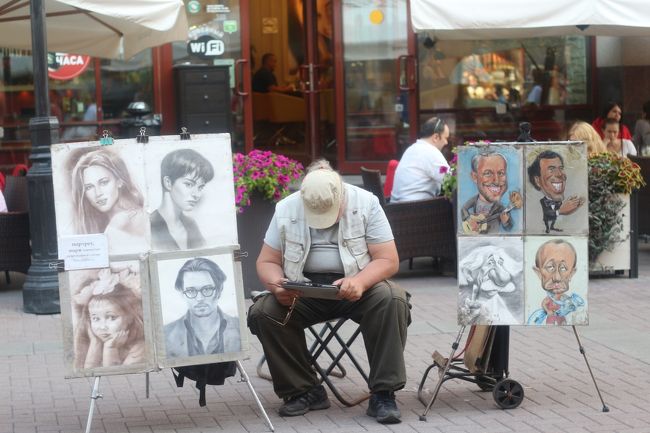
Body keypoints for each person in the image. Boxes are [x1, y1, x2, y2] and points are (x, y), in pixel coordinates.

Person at [248, 160, 410, 424]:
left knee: (391, 299)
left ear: (342, 194)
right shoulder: (286, 207)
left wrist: (360, 281)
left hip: (359, 285)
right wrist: (278, 285)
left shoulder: (366, 202)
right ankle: (304, 390)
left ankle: (383, 393)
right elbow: (266, 261)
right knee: (264, 312)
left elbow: (388, 259)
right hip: (304, 288)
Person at [71, 148, 148, 253]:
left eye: (103, 182)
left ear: (119, 181)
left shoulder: (123, 221)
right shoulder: (102, 224)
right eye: (89, 187)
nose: (98, 193)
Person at [164, 257, 241, 358]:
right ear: (182, 293)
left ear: (219, 290)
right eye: (191, 291)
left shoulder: (239, 328)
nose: (200, 298)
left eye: (207, 289)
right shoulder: (166, 334)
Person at [73, 267, 145, 369]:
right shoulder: (97, 339)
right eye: (96, 319)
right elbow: (89, 371)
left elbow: (119, 377)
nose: (102, 327)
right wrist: (95, 342)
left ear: (130, 318)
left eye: (111, 317)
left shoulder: (139, 348)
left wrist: (110, 348)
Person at [150, 149, 214, 251]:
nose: (196, 194)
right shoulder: (148, 228)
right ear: (168, 183)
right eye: (189, 184)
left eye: (200, 187)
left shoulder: (191, 225)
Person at [460, 150, 522, 234]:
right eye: (488, 173)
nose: (496, 181)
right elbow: (463, 209)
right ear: (475, 177)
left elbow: (509, 227)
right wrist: (469, 219)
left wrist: (506, 221)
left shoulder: (500, 208)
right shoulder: (474, 200)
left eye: (501, 173)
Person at [390, 117, 450, 202]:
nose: (446, 142)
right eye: (446, 138)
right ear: (436, 137)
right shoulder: (431, 152)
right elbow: (449, 181)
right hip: (414, 209)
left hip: (397, 207)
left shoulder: (412, 148)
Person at [458, 245, 521, 325]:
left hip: (494, 308)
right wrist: (473, 303)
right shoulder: (481, 279)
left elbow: (508, 286)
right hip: (482, 307)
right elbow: (475, 291)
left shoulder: (495, 280)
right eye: (490, 262)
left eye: (499, 263)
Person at [528, 239, 585, 325]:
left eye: (563, 268)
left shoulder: (566, 298)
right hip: (551, 319)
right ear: (539, 273)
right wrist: (548, 311)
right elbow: (544, 304)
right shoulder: (549, 299)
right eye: (550, 267)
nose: (557, 277)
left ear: (571, 274)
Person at [527, 150, 585, 233]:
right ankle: (548, 229)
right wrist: (560, 211)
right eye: (551, 169)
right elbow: (544, 216)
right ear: (537, 181)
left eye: (561, 168)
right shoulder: (534, 207)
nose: (559, 174)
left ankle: (552, 227)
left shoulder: (564, 204)